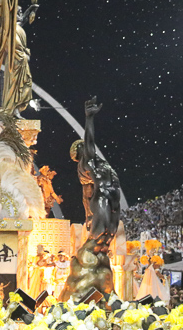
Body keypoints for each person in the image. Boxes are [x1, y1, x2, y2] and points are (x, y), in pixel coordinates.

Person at [69, 97, 121, 253]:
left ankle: (96, 266)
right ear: (80, 151)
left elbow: (86, 195)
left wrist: (88, 215)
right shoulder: (87, 161)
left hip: (111, 195)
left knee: (109, 237)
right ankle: (84, 260)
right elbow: (90, 141)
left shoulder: (97, 163)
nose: (87, 146)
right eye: (83, 146)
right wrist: (89, 118)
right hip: (102, 196)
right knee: (99, 236)